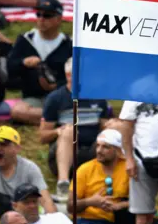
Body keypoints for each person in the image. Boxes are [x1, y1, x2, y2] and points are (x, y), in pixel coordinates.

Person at [40, 58, 109, 201]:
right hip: (64, 155)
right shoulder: (56, 98)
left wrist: (113, 125)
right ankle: (63, 183)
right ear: (68, 75)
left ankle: (115, 181)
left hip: (93, 151)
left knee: (113, 132)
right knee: (69, 130)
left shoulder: (98, 97)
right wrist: (57, 132)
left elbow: (105, 126)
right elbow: (42, 136)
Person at [7, 0, 72, 125]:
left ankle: (51, 118)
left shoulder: (68, 44)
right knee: (17, 111)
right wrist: (23, 63)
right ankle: (61, 118)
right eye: (39, 14)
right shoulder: (26, 39)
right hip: (33, 98)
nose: (41, 19)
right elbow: (10, 68)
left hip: (61, 96)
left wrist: (56, 85)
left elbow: (77, 76)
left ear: (59, 19)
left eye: (47, 15)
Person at [67, 129, 130, 224]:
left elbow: (141, 201)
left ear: (117, 151)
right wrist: (90, 202)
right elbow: (70, 206)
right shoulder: (84, 169)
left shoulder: (127, 168)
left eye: (105, 147)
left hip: (116, 221)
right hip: (86, 220)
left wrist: (120, 205)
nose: (99, 151)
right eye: (98, 146)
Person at [0, 126, 57, 215]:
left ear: (17, 148)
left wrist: (53, 222)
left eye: (4, 144)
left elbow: (45, 200)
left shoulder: (30, 168)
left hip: (23, 219)